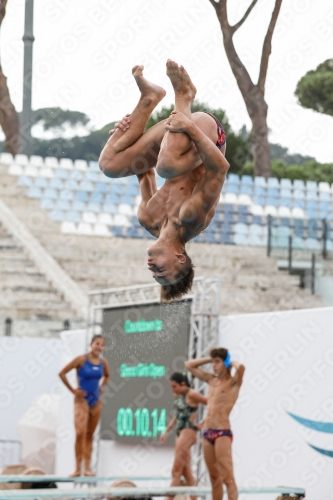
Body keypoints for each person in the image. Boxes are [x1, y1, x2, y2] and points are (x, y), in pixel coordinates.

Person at [99, 60, 229, 301]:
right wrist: (190, 127)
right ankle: (184, 95)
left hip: (173, 140)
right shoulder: (192, 217)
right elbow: (220, 168)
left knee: (110, 166)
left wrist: (122, 135)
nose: (152, 267)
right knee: (167, 166)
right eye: (161, 269)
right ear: (180, 256)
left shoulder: (148, 219)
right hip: (206, 134)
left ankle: (149, 97)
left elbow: (143, 170)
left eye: (153, 273)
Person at [185, 348, 245, 500]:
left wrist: (229, 362)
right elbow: (189, 365)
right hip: (207, 433)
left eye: (217, 362)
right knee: (214, 479)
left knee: (228, 479)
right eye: (213, 363)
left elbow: (241, 368)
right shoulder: (211, 380)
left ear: (225, 363)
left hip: (222, 433)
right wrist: (210, 359)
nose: (213, 366)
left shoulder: (233, 383)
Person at [59, 334, 110, 476]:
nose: (99, 347)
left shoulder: (102, 362)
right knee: (80, 432)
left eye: (101, 345)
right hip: (82, 401)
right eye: (97, 344)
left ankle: (87, 468)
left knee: (90, 434)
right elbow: (62, 373)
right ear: (91, 344)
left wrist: (102, 386)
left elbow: (107, 375)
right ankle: (77, 468)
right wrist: (73, 390)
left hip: (96, 401)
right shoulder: (81, 359)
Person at [160, 372, 208, 500]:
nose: (172, 390)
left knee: (176, 471)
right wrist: (166, 431)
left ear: (183, 384)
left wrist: (202, 423)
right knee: (186, 473)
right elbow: (177, 416)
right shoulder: (177, 395)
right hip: (179, 432)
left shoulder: (192, 394)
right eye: (171, 387)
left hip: (188, 431)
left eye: (174, 386)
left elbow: (211, 404)